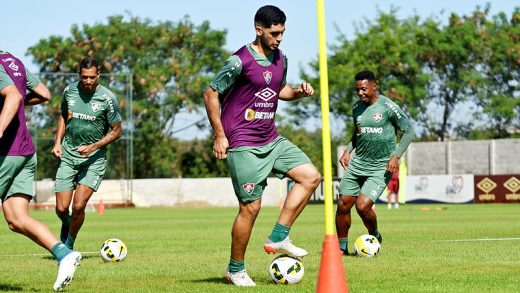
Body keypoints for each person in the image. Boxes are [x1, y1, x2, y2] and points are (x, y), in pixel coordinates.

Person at [203, 5, 321, 287]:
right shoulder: (239, 61)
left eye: (282, 33)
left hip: (272, 138)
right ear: (259, 30)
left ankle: (279, 235)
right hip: (243, 143)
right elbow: (210, 94)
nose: (279, 38)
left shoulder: (281, 58)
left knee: (311, 176)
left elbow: (280, 90)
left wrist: (299, 92)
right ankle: (235, 269)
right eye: (274, 33)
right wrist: (220, 135)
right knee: (250, 208)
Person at [0, 50, 82, 291]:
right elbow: (44, 94)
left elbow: (13, 96)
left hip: (6, 153)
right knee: (16, 218)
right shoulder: (12, 61)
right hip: (25, 151)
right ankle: (64, 254)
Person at [336, 70, 414, 255]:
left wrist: (396, 155)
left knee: (362, 206)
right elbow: (358, 133)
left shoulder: (388, 106)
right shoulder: (356, 108)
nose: (360, 93)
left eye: (363, 89)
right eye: (357, 90)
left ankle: (374, 235)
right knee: (343, 205)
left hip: (381, 166)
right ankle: (341, 249)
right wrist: (348, 150)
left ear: (374, 86)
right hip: (357, 164)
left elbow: (408, 130)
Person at [52, 57, 122, 251]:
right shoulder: (69, 91)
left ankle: (69, 246)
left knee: (78, 206)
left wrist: (93, 147)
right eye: (85, 77)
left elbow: (117, 130)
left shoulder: (108, 98)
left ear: (98, 75)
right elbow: (64, 116)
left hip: (93, 160)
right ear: (79, 75)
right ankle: (67, 225)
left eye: (92, 77)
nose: (89, 81)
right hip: (68, 155)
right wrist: (57, 142)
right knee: (61, 209)